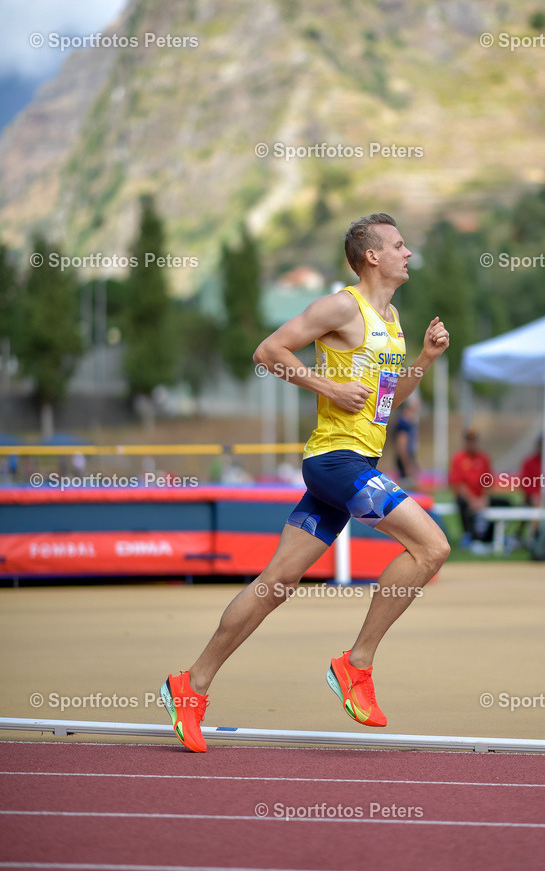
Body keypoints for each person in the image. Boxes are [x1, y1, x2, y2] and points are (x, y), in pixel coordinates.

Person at [161, 213, 450, 751]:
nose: (408, 254)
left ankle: (191, 683)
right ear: (372, 256)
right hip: (337, 463)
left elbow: (392, 401)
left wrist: (425, 361)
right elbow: (268, 351)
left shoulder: (392, 320)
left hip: (349, 465)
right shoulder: (344, 305)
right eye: (399, 245)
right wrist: (329, 388)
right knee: (432, 546)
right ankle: (356, 664)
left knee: (276, 584)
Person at [448, 429, 504, 544]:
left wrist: (483, 498)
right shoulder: (458, 458)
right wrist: (472, 500)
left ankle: (490, 537)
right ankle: (470, 536)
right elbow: (457, 484)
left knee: (504, 504)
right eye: (469, 440)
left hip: (481, 498)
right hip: (467, 498)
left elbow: (488, 482)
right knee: (462, 503)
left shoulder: (483, 458)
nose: (471, 443)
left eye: (473, 440)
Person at [393, 394, 420, 488]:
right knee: (408, 487)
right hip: (405, 459)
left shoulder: (409, 421)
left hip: (407, 458)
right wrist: (407, 465)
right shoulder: (403, 422)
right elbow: (401, 445)